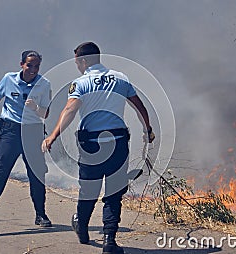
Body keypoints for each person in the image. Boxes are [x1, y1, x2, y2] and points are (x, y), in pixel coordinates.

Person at [42, 42, 155, 254]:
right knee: (113, 193)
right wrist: (147, 129)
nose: (76, 66)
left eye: (76, 62)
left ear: (84, 61)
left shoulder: (80, 83)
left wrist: (53, 135)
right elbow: (140, 107)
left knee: (89, 191)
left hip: (91, 145)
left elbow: (70, 109)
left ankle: (82, 226)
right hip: (118, 143)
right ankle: (109, 241)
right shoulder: (120, 78)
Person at [0, 50, 52, 234]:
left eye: (36, 66)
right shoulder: (9, 79)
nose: (33, 69)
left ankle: (41, 214)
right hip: (11, 131)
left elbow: (45, 113)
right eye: (29, 65)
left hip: (32, 132)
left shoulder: (44, 84)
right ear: (21, 64)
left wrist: (36, 107)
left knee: (37, 175)